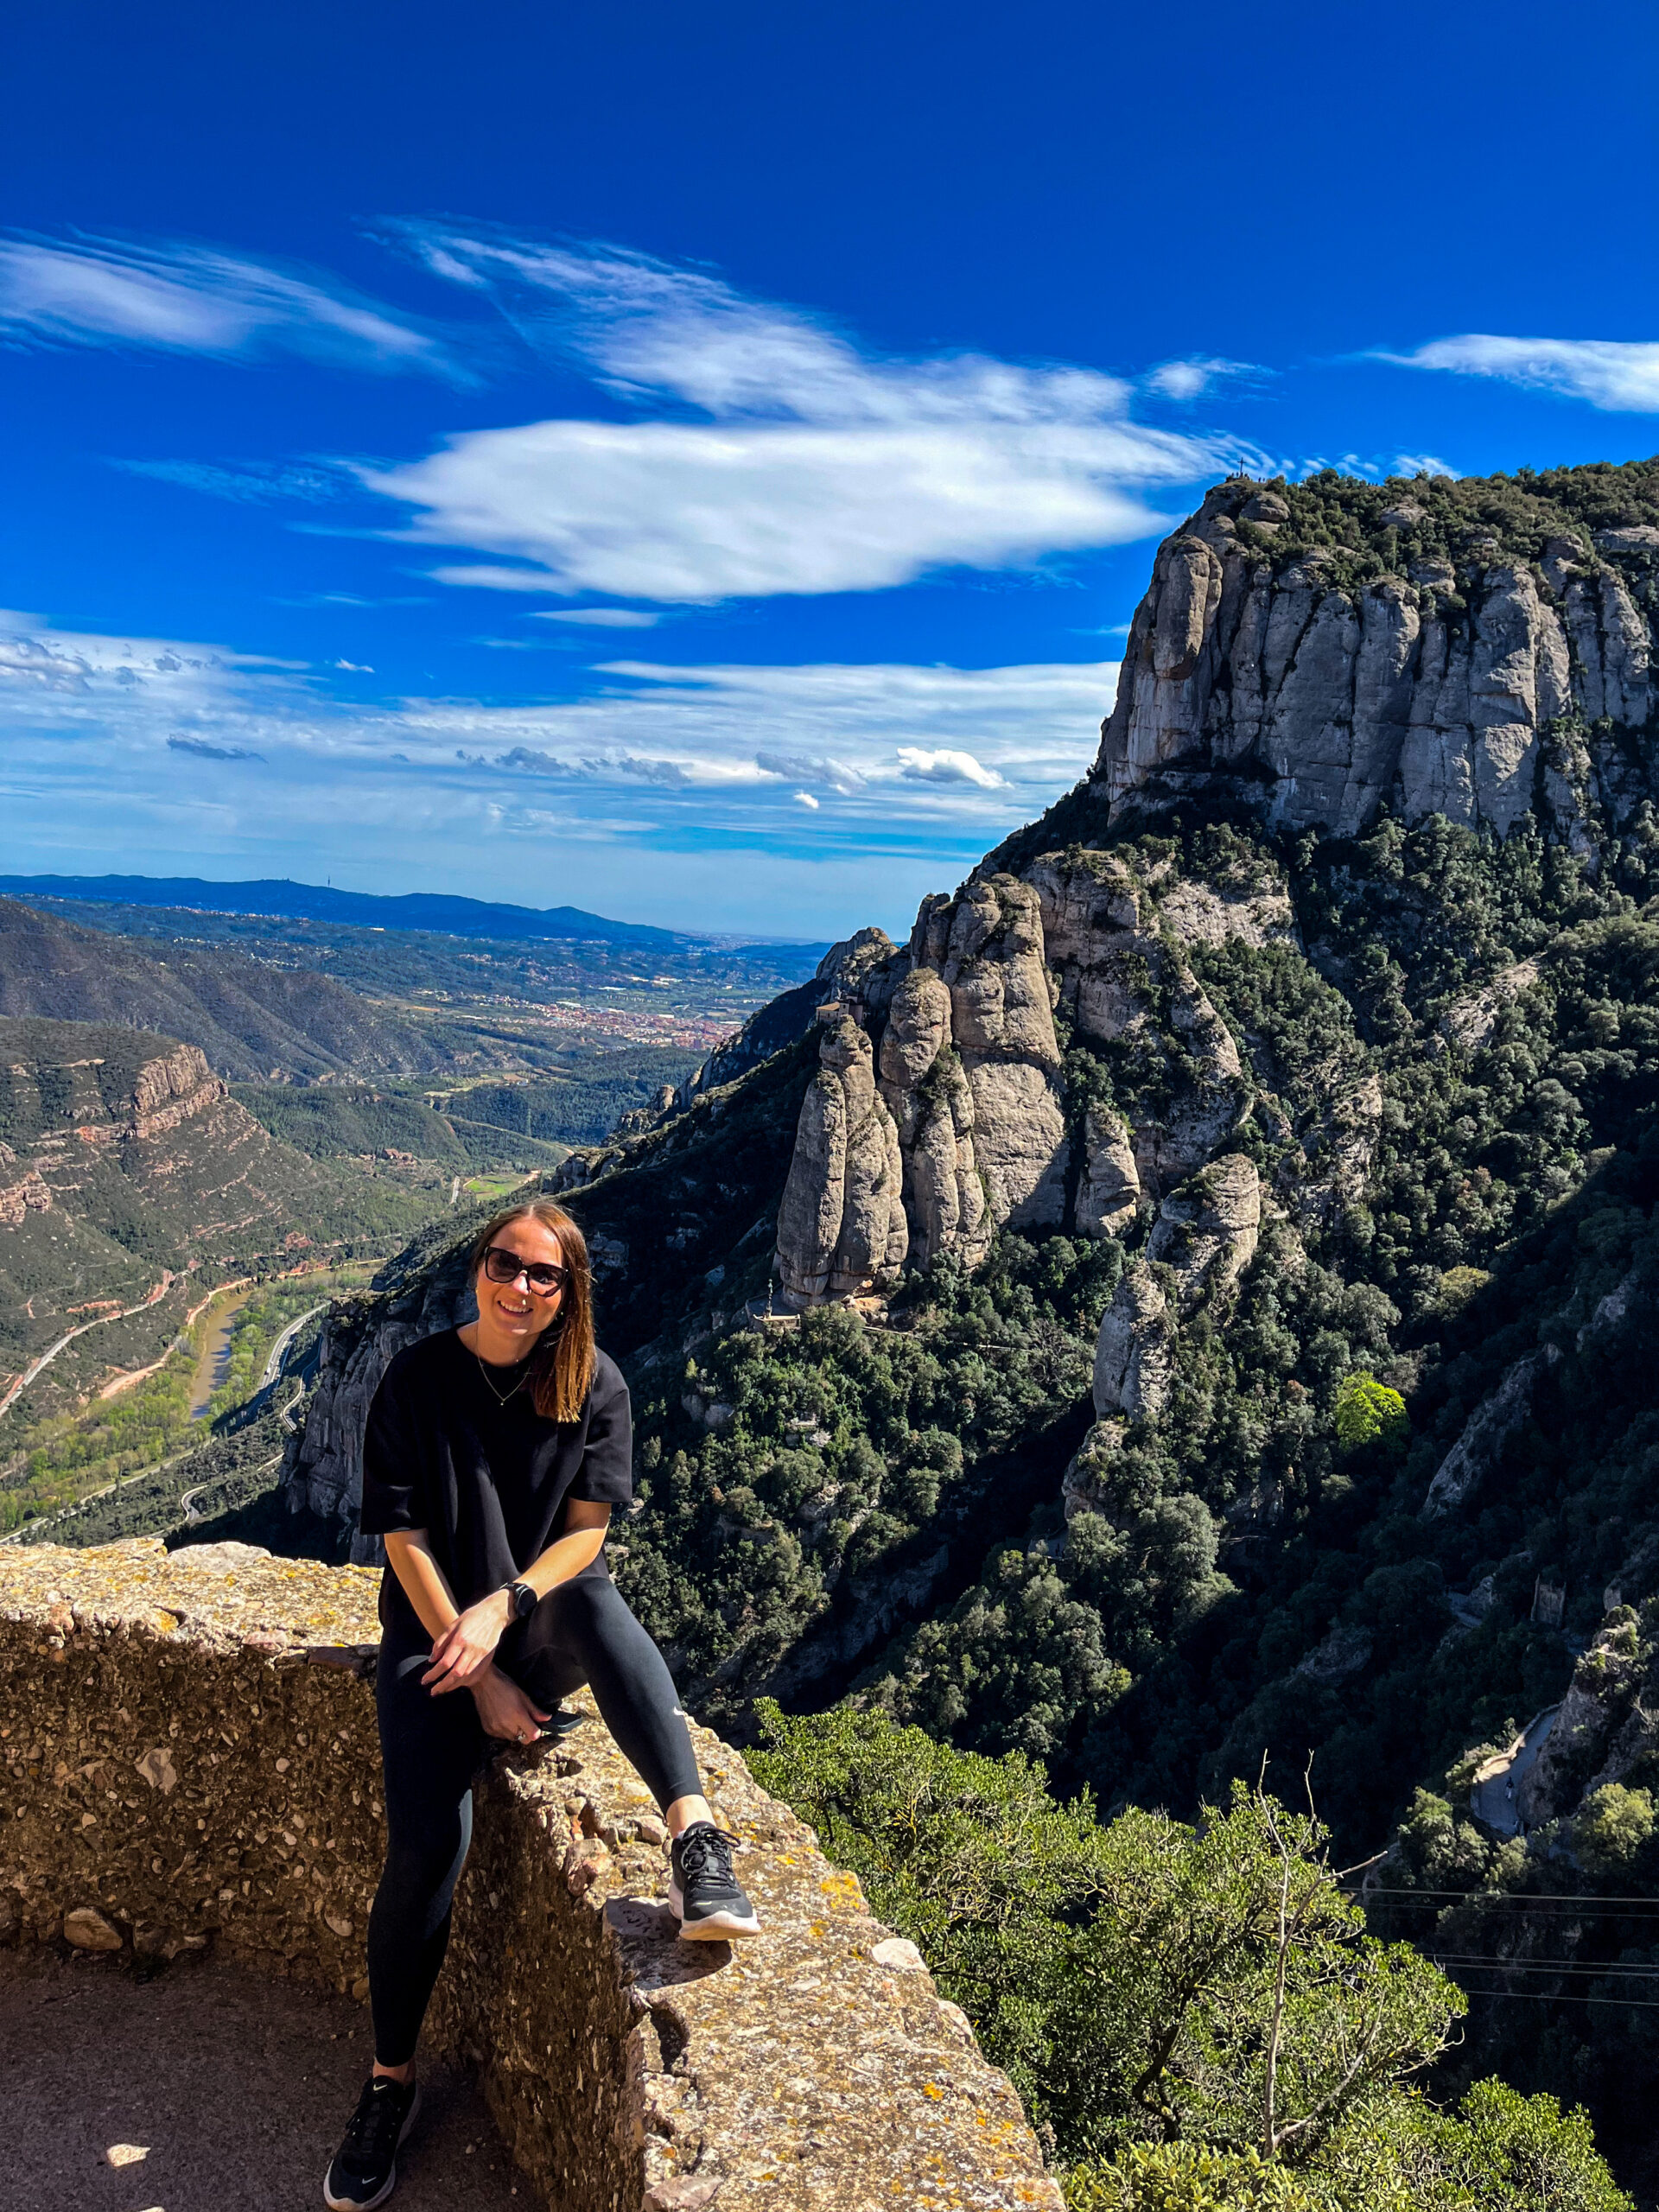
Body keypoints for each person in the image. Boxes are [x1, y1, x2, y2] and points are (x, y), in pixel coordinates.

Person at [323, 1199, 759, 2212]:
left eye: (544, 1275)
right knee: (429, 1846)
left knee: (597, 1602)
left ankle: (695, 1835)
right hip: (433, 1639)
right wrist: (473, 1667)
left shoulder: (594, 1384)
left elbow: (585, 1535)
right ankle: (389, 2082)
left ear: (569, 1293)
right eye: (503, 1264)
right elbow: (405, 1540)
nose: (520, 1287)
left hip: (533, 1618)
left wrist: (508, 1609)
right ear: (478, 1268)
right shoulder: (418, 1376)